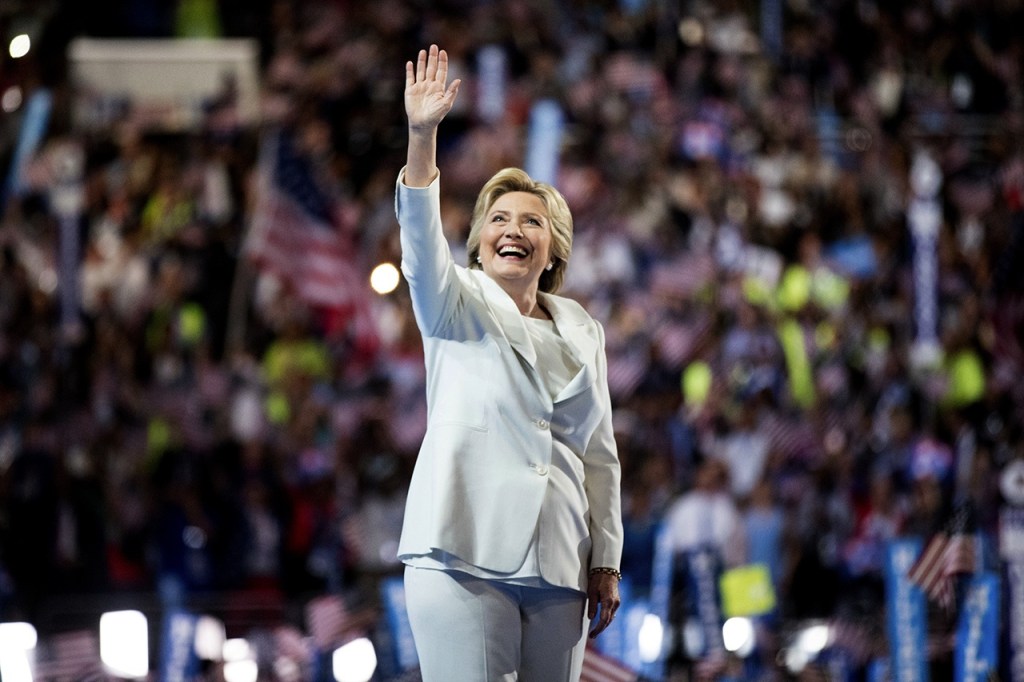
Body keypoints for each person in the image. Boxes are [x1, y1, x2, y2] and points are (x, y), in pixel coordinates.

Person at [395, 45, 623, 681]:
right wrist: (422, 136)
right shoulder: (453, 300)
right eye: (498, 218)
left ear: (553, 247)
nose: (513, 229)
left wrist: (605, 557)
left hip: (560, 560)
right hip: (461, 547)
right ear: (478, 241)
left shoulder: (582, 328)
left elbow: (599, 454)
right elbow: (418, 242)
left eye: (531, 221)